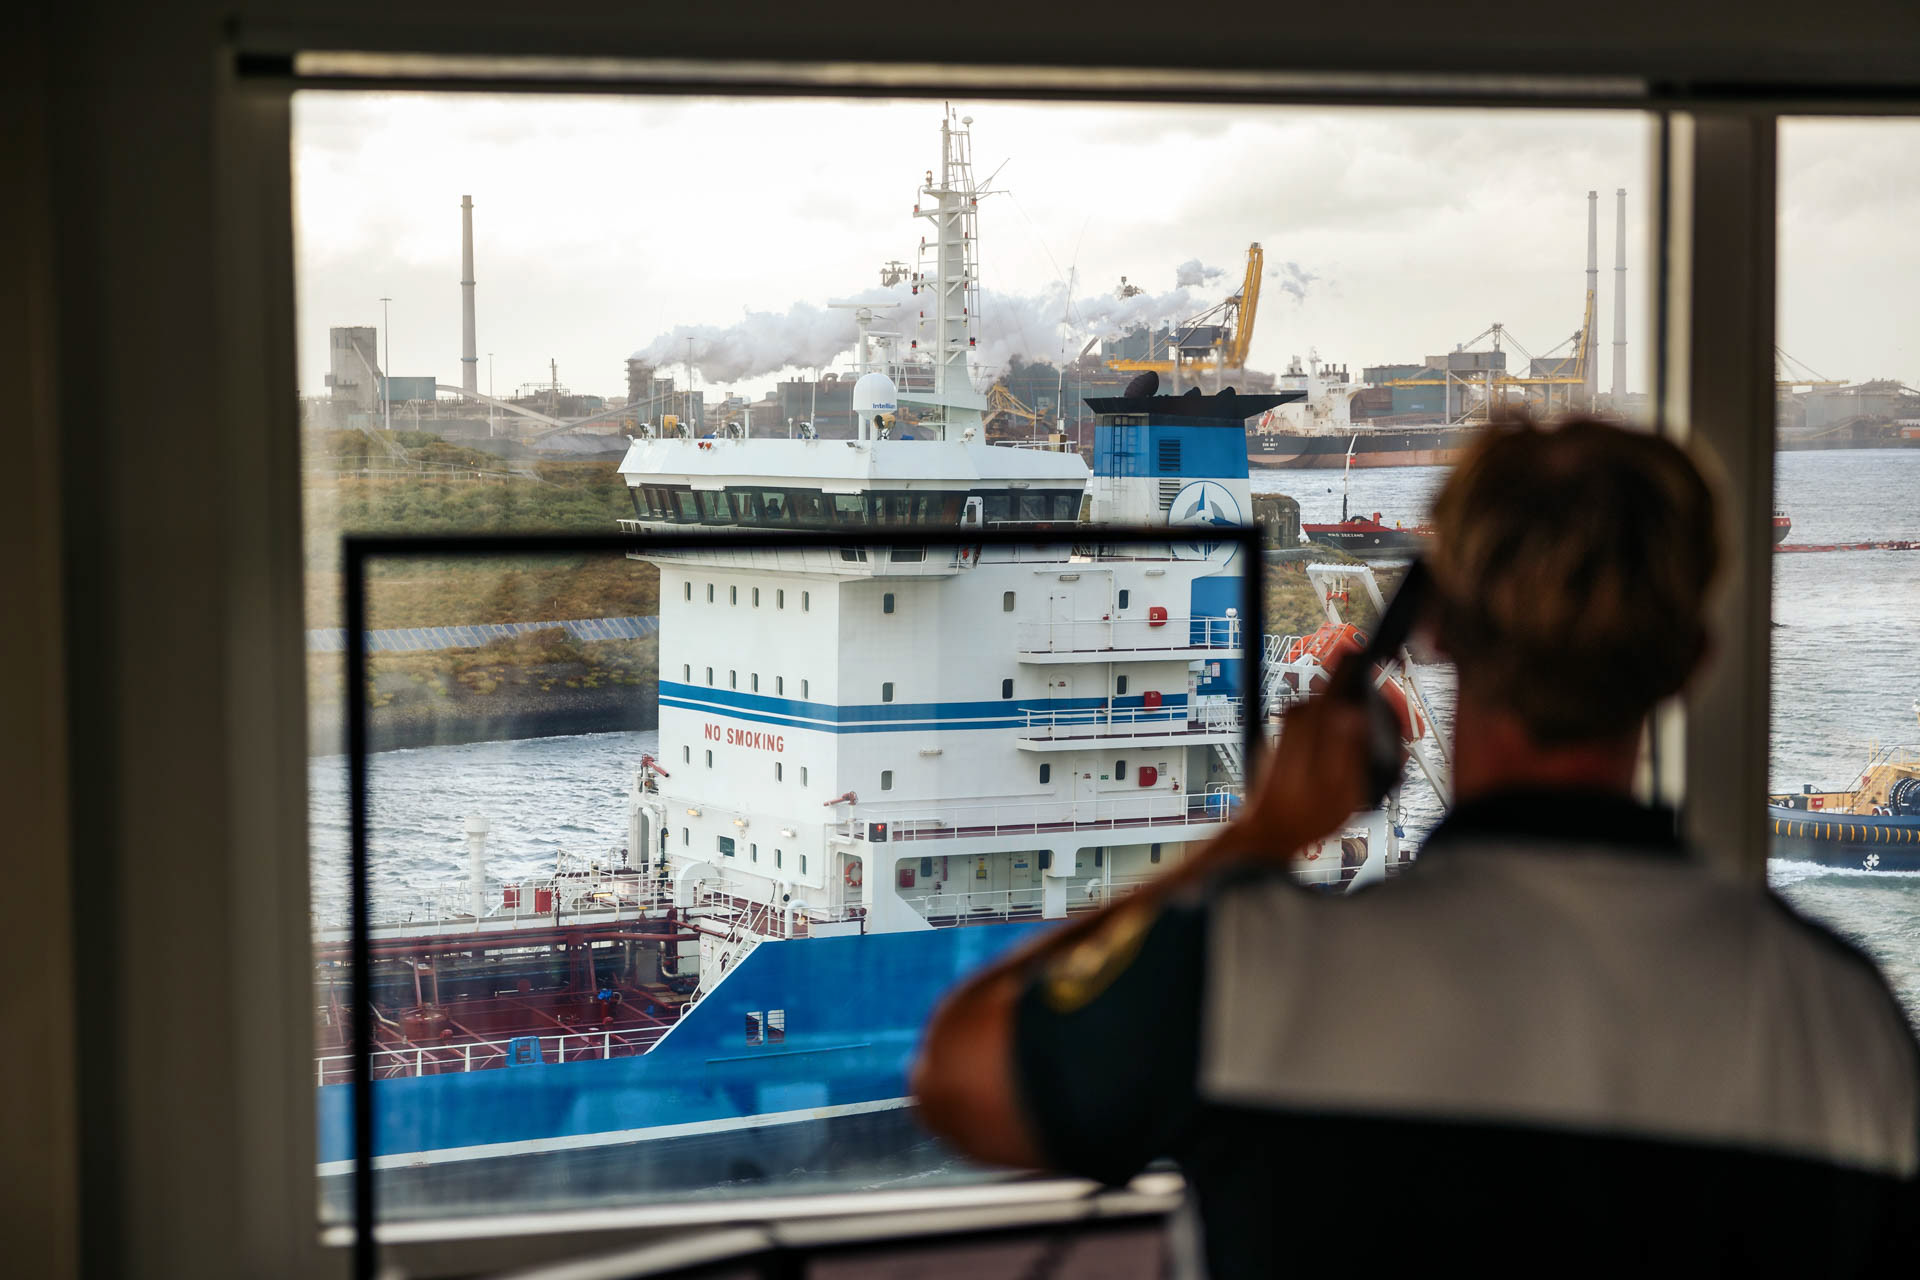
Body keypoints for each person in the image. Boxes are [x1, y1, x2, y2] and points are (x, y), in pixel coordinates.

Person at [912, 417, 1920, 1275]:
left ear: (1432, 633)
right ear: (1697, 660)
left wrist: (1257, 834)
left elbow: (957, 1072)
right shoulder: (1843, 1021)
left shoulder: (1259, 974)